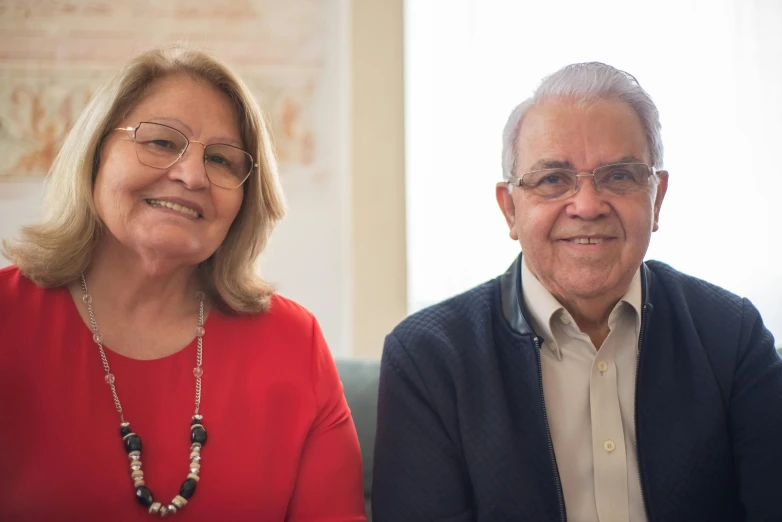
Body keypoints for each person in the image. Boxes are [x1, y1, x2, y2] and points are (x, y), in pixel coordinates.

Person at [372, 62, 782, 522]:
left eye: (619, 176)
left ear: (657, 197)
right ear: (510, 209)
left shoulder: (733, 336)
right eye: (552, 179)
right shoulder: (429, 358)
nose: (587, 206)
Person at [0, 46, 366, 522]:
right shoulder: (9, 321)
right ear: (95, 155)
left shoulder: (294, 344)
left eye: (221, 160)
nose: (192, 175)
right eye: (161, 142)